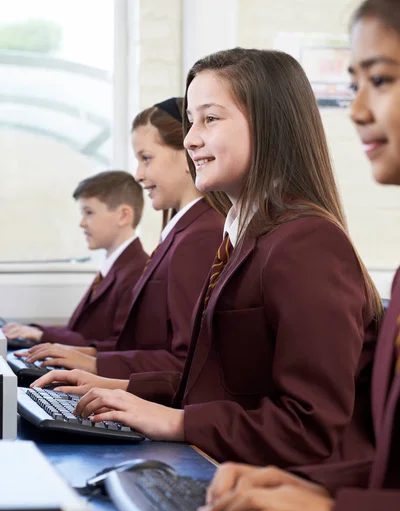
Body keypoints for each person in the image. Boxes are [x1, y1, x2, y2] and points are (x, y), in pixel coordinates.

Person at [34, 48, 381, 470]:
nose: (190, 138)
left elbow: (312, 426)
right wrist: (117, 384)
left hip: (288, 490)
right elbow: (220, 382)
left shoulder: (306, 242)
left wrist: (177, 422)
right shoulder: (242, 236)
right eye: (191, 121)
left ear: (270, 127)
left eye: (210, 119)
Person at [196, 0, 400, 511]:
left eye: (380, 80)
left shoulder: (307, 241)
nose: (356, 109)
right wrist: (310, 491)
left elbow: (318, 424)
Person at [20, 98, 227, 375]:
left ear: (187, 152)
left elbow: (185, 362)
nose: (139, 175)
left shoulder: (201, 235)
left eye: (146, 158)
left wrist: (94, 364)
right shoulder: (182, 232)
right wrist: (83, 355)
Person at [3, 170, 148, 347]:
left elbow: (117, 347)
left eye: (89, 212)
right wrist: (37, 331)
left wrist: (43, 336)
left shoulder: (137, 273)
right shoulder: (113, 267)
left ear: (123, 215)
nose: (82, 223)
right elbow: (80, 332)